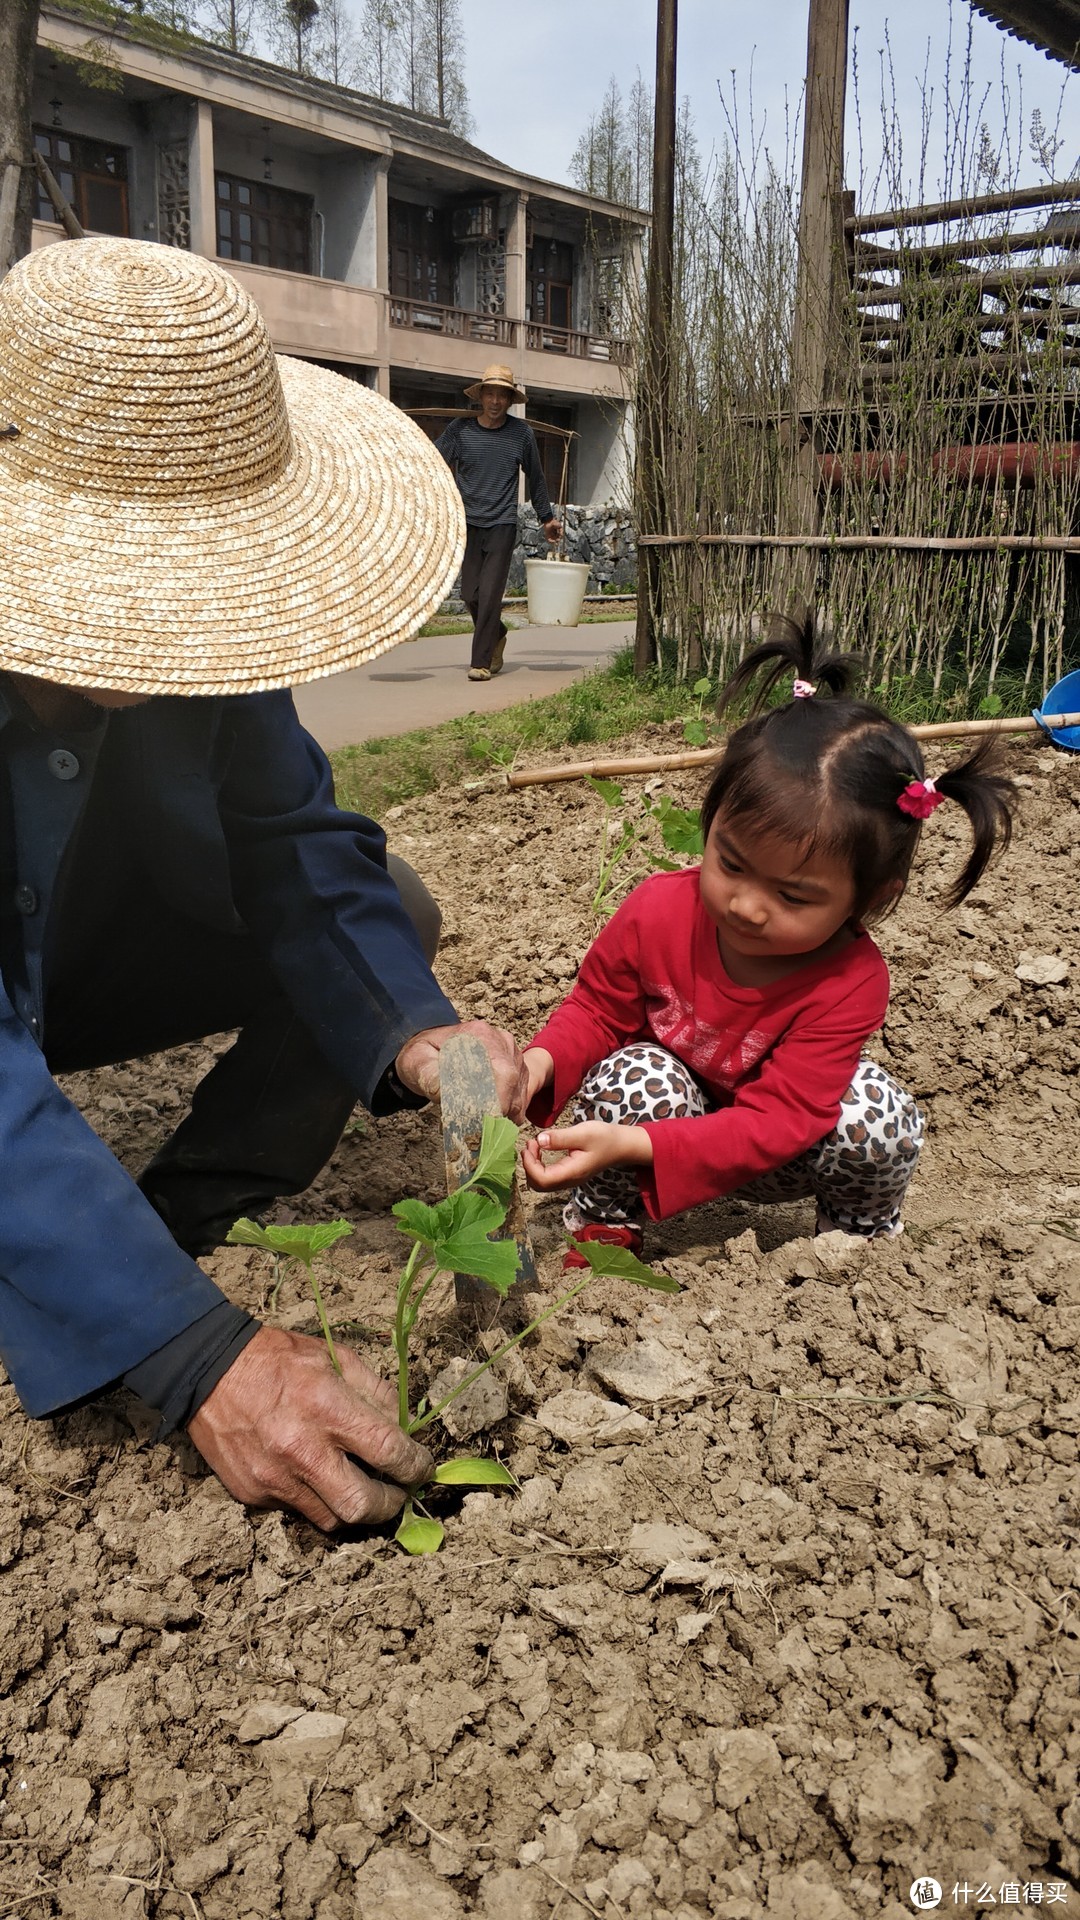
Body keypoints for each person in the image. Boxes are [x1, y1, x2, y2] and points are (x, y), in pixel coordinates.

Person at [0, 235, 528, 1532]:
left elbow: (295, 841)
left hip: (83, 950)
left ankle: (188, 1211)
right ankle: (122, 1278)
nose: (164, 620)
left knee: (392, 908)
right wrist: (195, 1355)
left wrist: (423, 1036)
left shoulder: (217, 641)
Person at [521, 625, 1017, 1258]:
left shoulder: (851, 980)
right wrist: (538, 1065)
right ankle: (606, 1220)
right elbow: (596, 1010)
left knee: (878, 1117)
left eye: (792, 896)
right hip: (674, 1115)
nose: (746, 906)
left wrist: (640, 1146)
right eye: (729, 863)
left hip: (781, 1152)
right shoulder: (658, 911)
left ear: (870, 899)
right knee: (632, 1076)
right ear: (711, 826)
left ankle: (853, 1244)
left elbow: (782, 1119)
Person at [434, 365, 562, 682]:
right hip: (468, 522)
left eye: (501, 395)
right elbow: (433, 462)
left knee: (490, 594)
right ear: (480, 397)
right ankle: (498, 631)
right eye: (489, 394)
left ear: (509, 400)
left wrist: (546, 518)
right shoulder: (459, 430)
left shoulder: (520, 434)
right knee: (469, 595)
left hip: (502, 523)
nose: (494, 401)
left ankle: (479, 662)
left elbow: (536, 477)